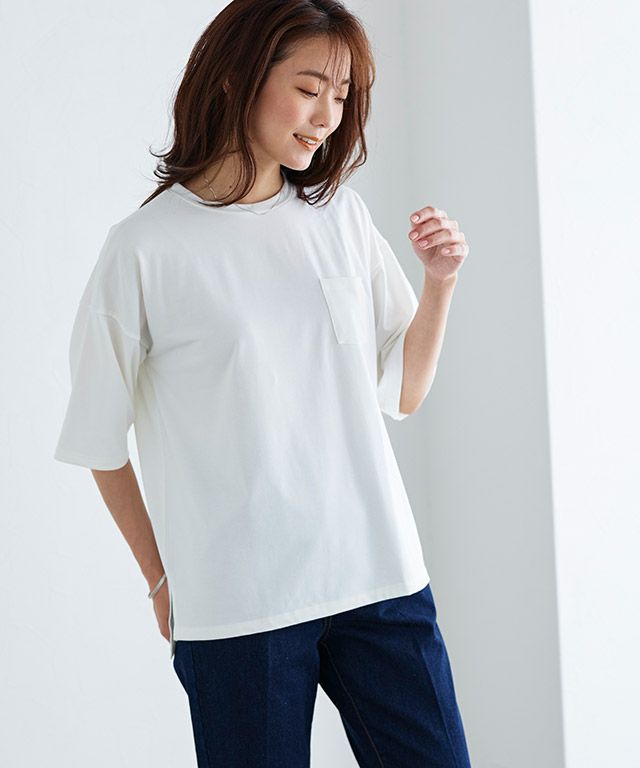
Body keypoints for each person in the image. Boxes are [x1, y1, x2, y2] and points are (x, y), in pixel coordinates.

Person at [53, 0, 471, 764]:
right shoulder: (146, 248)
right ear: (236, 79)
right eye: (309, 88)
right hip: (242, 609)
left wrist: (438, 282)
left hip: (380, 578)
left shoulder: (341, 218)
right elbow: (97, 441)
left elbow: (402, 392)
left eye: (341, 96)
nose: (327, 116)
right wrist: (160, 581)